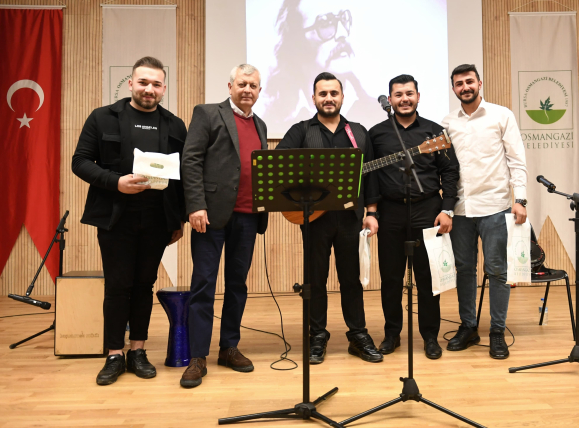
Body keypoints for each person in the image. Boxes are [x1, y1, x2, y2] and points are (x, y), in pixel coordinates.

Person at [72, 56, 187, 385]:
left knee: (143, 285)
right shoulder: (102, 117)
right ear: (131, 83)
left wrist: (178, 220)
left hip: (157, 218)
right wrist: (116, 182)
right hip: (115, 216)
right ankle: (114, 354)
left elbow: (182, 175)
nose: (149, 89)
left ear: (164, 88)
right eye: (144, 82)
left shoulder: (175, 125)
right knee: (117, 285)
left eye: (156, 84)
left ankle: (138, 350)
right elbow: (80, 162)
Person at [276, 72, 382, 364]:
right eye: (322, 94)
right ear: (313, 98)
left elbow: (371, 177)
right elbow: (280, 163)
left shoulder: (358, 132)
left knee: (351, 280)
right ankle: (317, 336)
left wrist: (372, 212)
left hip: (350, 218)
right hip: (314, 219)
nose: (328, 98)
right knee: (315, 279)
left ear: (342, 97)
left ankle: (358, 335)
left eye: (334, 93)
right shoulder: (300, 131)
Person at [179, 64, 269, 388]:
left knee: (237, 285)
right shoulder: (207, 114)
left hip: (247, 216)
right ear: (230, 86)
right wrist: (195, 205)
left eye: (253, 86)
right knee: (204, 284)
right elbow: (190, 159)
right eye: (242, 84)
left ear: (259, 91)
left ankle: (229, 348)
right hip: (210, 215)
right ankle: (197, 357)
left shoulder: (260, 124)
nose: (247, 90)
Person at [440, 64, 528, 360]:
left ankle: (497, 332)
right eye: (459, 83)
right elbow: (445, 169)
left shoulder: (502, 115)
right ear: (453, 89)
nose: (465, 87)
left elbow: (516, 160)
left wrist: (521, 199)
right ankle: (469, 327)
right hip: (461, 209)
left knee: (497, 271)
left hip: (495, 207)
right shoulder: (447, 122)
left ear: (480, 83)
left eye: (469, 81)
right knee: (464, 270)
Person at [369, 74, 459, 360]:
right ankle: (392, 334)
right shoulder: (376, 134)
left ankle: (430, 336)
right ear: (390, 100)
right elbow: (370, 177)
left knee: (428, 278)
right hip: (390, 212)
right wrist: (371, 212)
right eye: (398, 95)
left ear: (418, 97)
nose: (404, 99)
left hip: (428, 210)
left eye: (409, 93)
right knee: (390, 278)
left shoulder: (435, 132)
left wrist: (447, 209)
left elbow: (450, 172)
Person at [261, 0, 382, 130]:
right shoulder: (278, 120)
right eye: (326, 23)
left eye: (343, 19)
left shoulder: (377, 111)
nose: (342, 34)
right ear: (298, 40)